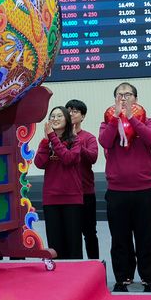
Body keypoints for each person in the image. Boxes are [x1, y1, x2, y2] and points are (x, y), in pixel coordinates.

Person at [99, 82, 151, 293]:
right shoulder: (107, 122)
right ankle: (122, 278)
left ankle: (148, 279)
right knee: (119, 238)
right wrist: (116, 117)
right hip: (117, 191)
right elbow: (105, 142)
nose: (124, 98)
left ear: (136, 98)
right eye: (119, 94)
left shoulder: (149, 121)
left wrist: (131, 118)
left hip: (144, 190)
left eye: (128, 94)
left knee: (145, 237)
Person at [35, 106, 84, 259]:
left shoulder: (76, 140)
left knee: (73, 243)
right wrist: (45, 141)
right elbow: (39, 163)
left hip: (72, 197)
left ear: (67, 120)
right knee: (55, 244)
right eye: (52, 116)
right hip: (51, 198)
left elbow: (68, 159)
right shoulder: (47, 141)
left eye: (59, 116)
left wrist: (52, 138)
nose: (55, 119)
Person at [65, 99, 99, 259]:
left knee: (90, 232)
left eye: (75, 111)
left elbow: (93, 157)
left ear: (83, 116)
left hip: (86, 192)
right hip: (67, 193)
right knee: (71, 234)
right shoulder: (57, 137)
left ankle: (95, 266)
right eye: (68, 110)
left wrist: (75, 140)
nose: (71, 114)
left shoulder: (89, 137)